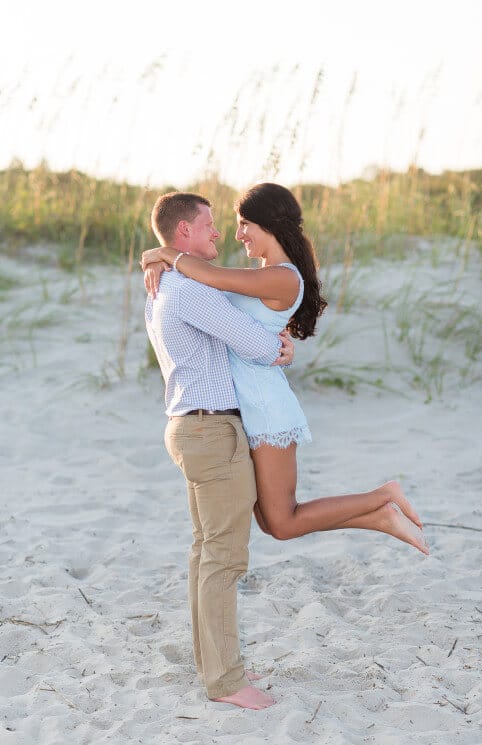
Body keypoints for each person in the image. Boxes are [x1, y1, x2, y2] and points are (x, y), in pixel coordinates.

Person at [140, 183, 427, 555]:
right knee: (272, 521)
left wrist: (160, 253)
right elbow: (213, 296)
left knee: (283, 521)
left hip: (266, 407)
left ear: (269, 224)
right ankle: (380, 516)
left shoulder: (282, 276)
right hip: (248, 406)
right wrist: (159, 257)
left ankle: (382, 496)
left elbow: (211, 279)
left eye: (245, 224)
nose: (237, 233)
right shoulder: (260, 275)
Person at [144, 191, 294, 710]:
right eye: (208, 225)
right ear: (182, 232)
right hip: (213, 433)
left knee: (204, 553)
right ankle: (227, 681)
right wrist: (278, 346)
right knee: (224, 559)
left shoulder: (163, 285)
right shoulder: (190, 289)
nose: (218, 234)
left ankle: (215, 665)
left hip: (188, 428)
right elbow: (256, 345)